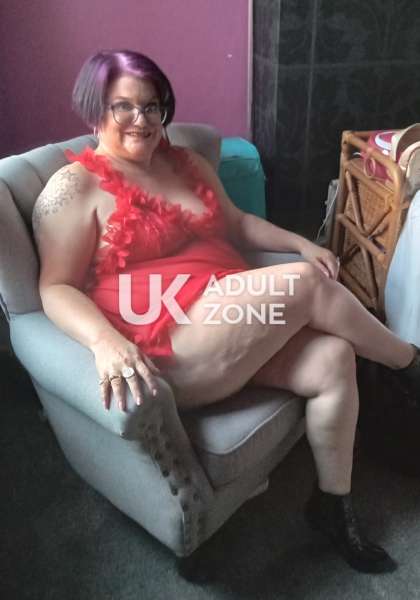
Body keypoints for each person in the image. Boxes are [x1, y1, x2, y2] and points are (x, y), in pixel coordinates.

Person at [32, 49, 420, 574]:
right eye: (123, 106)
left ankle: (333, 506)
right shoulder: (73, 188)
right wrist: (105, 343)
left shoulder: (186, 162)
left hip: (228, 319)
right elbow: (54, 287)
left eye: (151, 106)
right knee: (308, 285)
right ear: (94, 108)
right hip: (167, 340)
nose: (141, 120)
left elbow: (237, 224)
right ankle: (408, 364)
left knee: (333, 358)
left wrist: (301, 243)